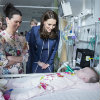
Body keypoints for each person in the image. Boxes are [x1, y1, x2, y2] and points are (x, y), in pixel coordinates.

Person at [2, 67, 99, 100]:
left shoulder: (79, 82)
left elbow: (93, 86)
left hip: (48, 86)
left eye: (83, 70)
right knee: (28, 81)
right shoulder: (74, 73)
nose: (81, 69)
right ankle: (8, 84)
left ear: (85, 78)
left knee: (33, 91)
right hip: (46, 78)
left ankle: (14, 97)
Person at [0, 3, 28, 74]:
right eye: (16, 22)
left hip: (20, 76)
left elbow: (26, 57)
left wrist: (10, 58)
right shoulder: (1, 38)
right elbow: (2, 63)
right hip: (5, 78)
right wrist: (20, 58)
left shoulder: (21, 38)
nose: (18, 25)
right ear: (7, 20)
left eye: (20, 22)